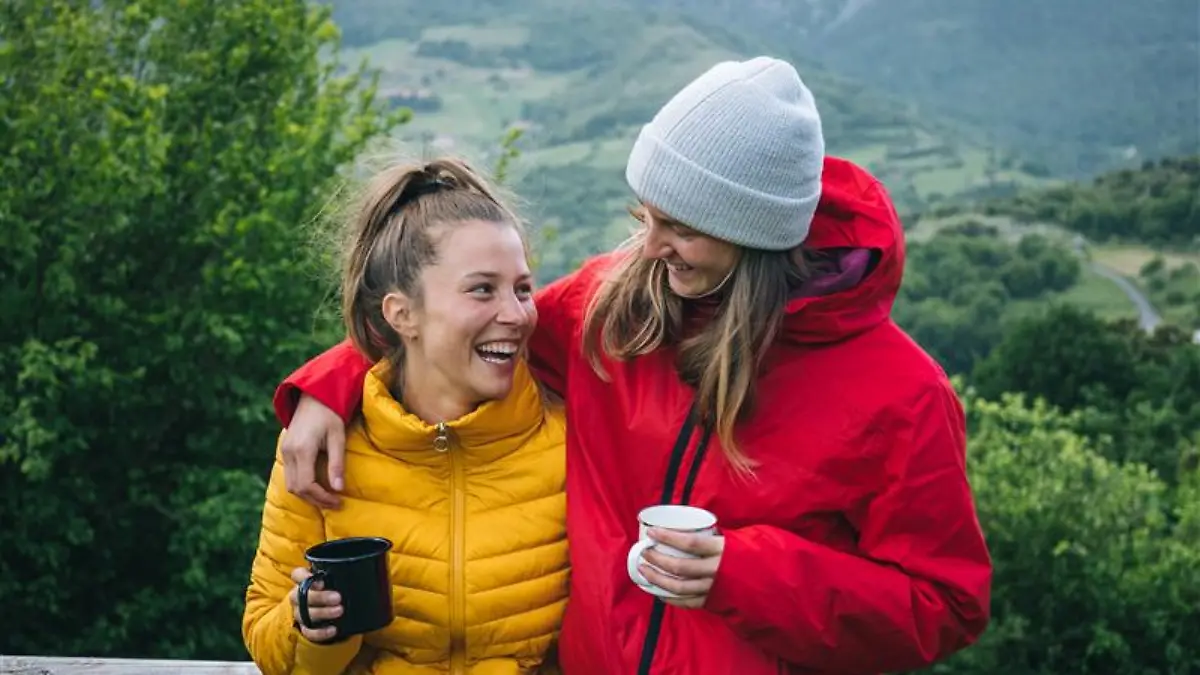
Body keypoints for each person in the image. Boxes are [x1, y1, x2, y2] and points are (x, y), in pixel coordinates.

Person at [271, 57, 992, 674]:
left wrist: (749, 574)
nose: (648, 246)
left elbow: (946, 604)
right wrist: (328, 385)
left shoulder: (903, 395)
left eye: (679, 226)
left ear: (752, 233)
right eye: (646, 216)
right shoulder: (616, 306)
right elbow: (466, 334)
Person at [241, 158, 569, 675]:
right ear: (402, 314)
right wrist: (311, 626)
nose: (516, 314)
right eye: (482, 289)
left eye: (522, 289)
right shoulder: (320, 448)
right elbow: (268, 643)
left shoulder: (572, 442)